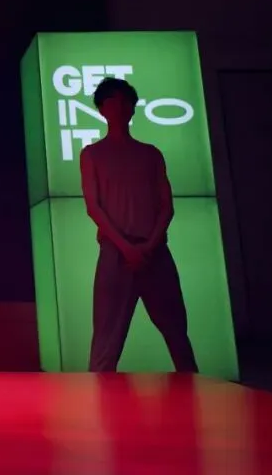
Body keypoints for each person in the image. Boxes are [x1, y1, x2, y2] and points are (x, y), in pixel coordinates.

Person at [80, 77, 198, 373]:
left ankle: (193, 391)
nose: (120, 107)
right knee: (106, 339)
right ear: (101, 109)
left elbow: (166, 206)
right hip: (116, 253)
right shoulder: (92, 154)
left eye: (125, 101)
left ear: (133, 108)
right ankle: (98, 397)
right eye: (112, 101)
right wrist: (126, 247)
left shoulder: (151, 154)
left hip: (154, 251)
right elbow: (94, 207)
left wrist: (149, 245)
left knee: (177, 332)